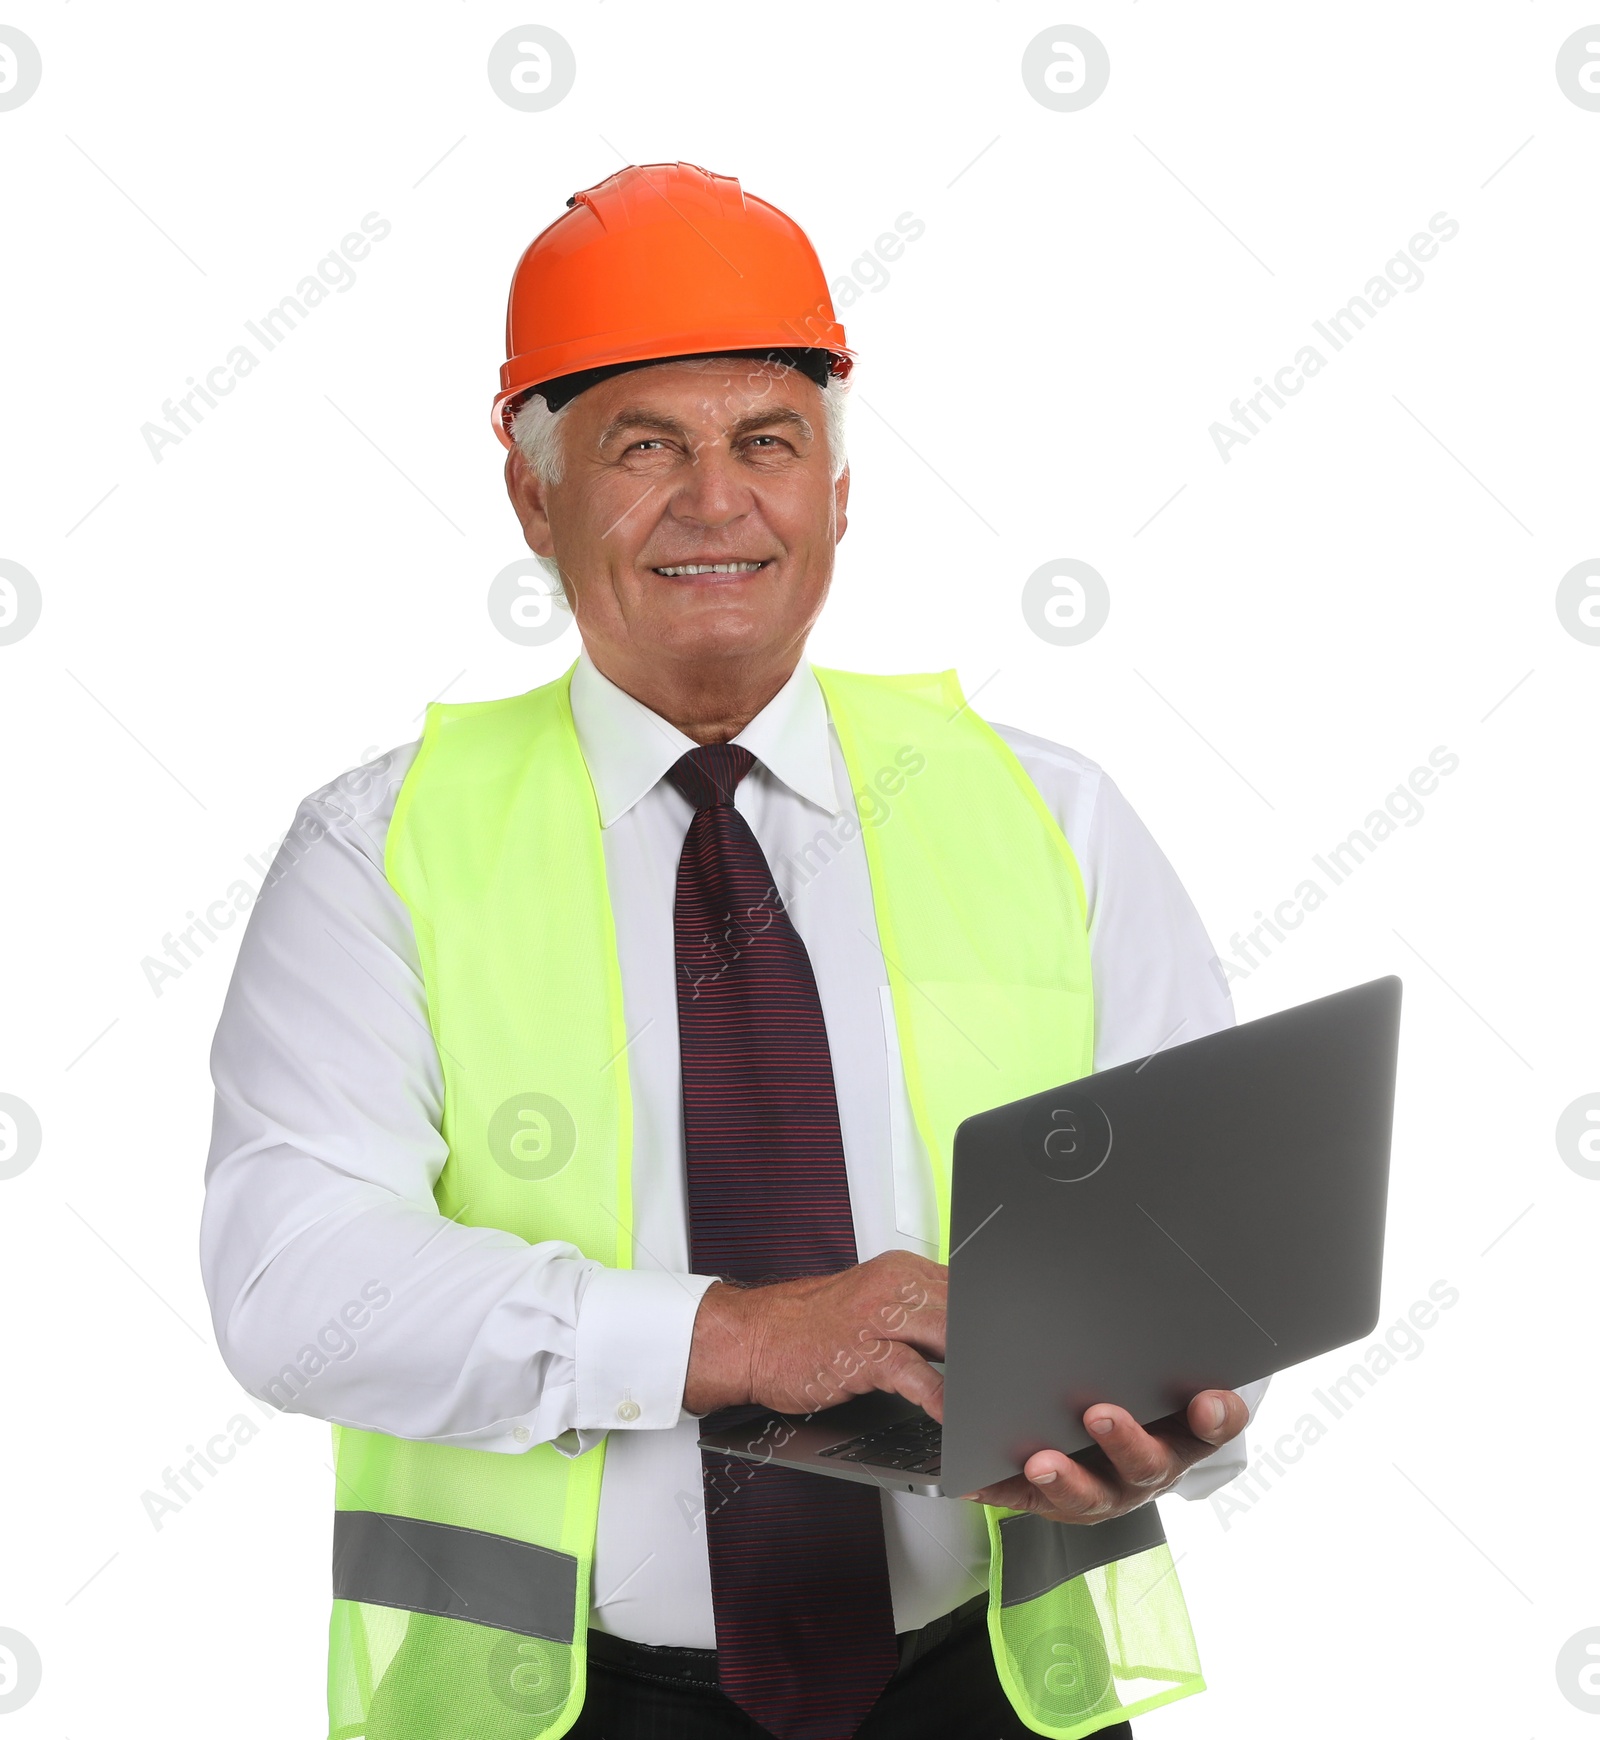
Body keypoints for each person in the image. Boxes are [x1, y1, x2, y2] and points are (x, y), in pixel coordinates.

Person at [201, 162, 1269, 1740]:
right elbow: (293, 1282)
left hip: (990, 1686)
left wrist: (1180, 1417)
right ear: (531, 493)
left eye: (768, 444)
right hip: (561, 1704)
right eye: (647, 447)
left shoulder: (1051, 813)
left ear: (837, 491)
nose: (718, 503)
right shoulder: (382, 851)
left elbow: (1213, 1242)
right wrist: (731, 1335)